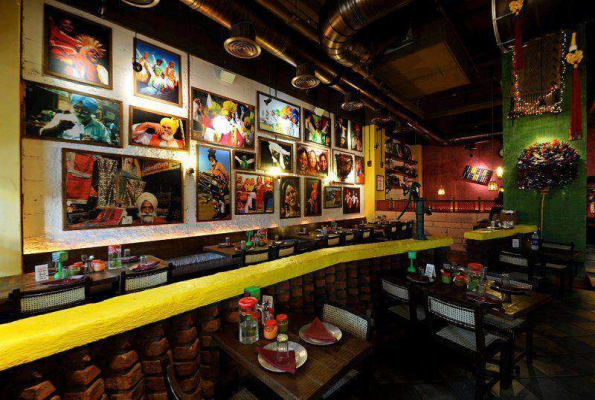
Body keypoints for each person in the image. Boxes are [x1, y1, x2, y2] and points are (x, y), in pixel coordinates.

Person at [40, 94, 112, 143]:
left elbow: (108, 145)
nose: (79, 112)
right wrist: (58, 128)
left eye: (84, 110)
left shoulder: (99, 127)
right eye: (76, 108)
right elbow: (42, 134)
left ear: (91, 112)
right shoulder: (61, 118)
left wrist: (95, 143)